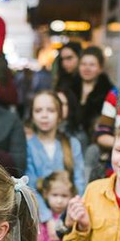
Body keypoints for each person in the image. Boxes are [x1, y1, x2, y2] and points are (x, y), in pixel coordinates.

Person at [26, 90, 85, 226]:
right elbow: (30, 185)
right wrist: (47, 218)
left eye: (51, 110)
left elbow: (79, 183)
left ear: (59, 115)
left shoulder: (72, 144)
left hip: (70, 218)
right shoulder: (28, 146)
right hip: (38, 219)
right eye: (38, 110)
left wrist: (68, 217)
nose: (44, 115)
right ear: (32, 116)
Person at [71, 46, 114, 139]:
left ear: (100, 68)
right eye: (83, 64)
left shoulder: (108, 92)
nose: (87, 68)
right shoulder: (70, 89)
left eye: (92, 65)